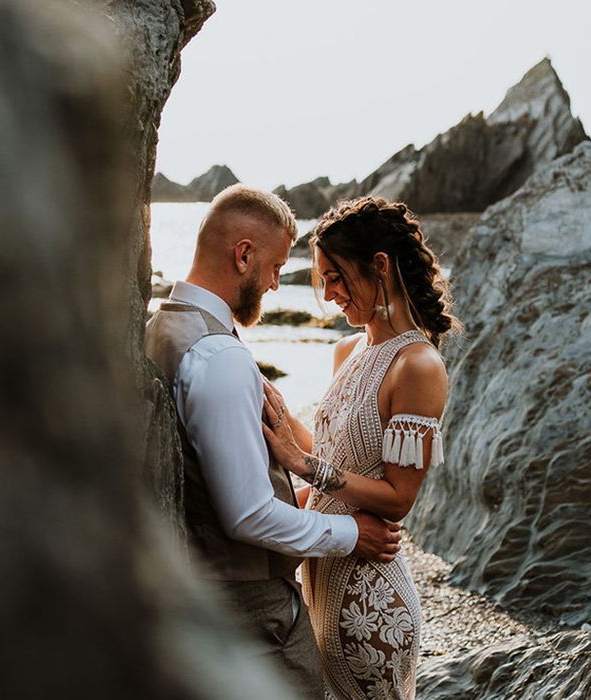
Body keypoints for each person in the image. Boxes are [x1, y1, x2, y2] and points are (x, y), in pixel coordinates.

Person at [144, 185, 402, 699]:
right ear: (243, 254)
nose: (275, 285)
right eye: (275, 267)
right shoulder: (219, 357)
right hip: (255, 617)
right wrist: (353, 533)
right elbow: (247, 515)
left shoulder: (159, 327)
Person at [262, 196, 460, 699]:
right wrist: (280, 415)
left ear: (380, 266)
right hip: (320, 587)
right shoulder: (347, 350)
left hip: (371, 607)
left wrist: (302, 464)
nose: (329, 296)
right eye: (322, 280)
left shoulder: (418, 366)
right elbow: (337, 450)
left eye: (336, 277)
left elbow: (398, 498)